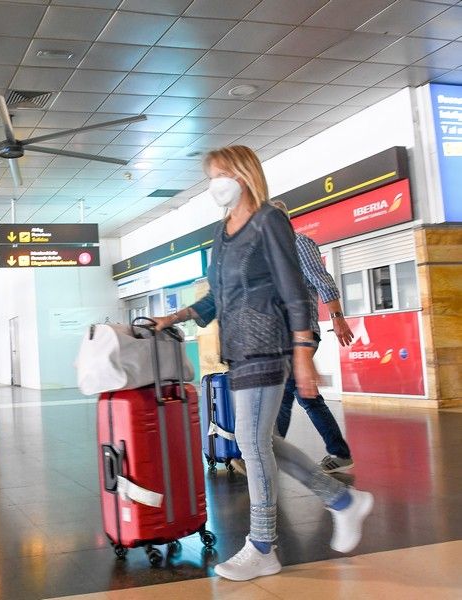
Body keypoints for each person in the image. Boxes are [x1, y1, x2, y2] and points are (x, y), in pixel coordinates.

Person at [152, 146, 373, 582]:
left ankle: (262, 545)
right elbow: (217, 297)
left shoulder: (269, 220)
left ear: (243, 174)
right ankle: (344, 502)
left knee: (253, 445)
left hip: (270, 345)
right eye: (211, 175)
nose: (215, 182)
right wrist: (173, 317)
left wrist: (303, 352)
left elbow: (294, 290)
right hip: (239, 349)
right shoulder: (222, 232)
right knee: (260, 441)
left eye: (221, 173)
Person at [270, 200, 355, 473]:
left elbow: (323, 281)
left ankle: (273, 453)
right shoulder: (275, 252)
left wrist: (338, 318)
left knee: (298, 395)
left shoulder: (299, 244)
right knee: (289, 395)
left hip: (303, 333)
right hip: (286, 336)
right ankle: (272, 452)